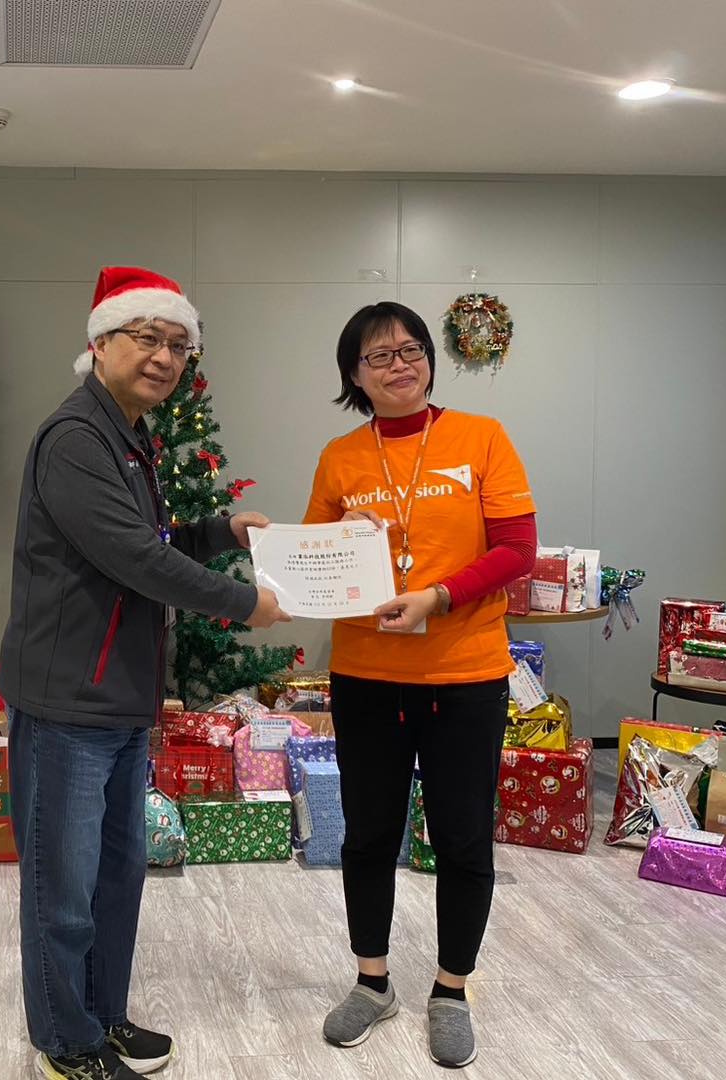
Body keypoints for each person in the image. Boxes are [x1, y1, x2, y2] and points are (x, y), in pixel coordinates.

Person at [0, 266, 291, 1080]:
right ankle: (66, 1043)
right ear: (101, 343)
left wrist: (222, 531)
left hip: (121, 699)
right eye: (148, 338)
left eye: (178, 344)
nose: (165, 357)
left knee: (117, 876)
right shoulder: (75, 439)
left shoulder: (129, 435)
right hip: (68, 702)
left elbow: (150, 539)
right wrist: (245, 603)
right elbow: (132, 558)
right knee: (63, 886)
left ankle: (101, 1017)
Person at [302, 301, 537, 1069]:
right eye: (379, 356)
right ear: (354, 374)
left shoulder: (481, 437)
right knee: (368, 834)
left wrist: (438, 597)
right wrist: (289, 562)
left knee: (463, 837)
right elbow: (316, 558)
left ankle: (450, 991)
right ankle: (372, 982)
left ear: (430, 360)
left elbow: (518, 549)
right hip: (367, 675)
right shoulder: (341, 456)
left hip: (464, 674)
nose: (399, 365)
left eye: (411, 350)